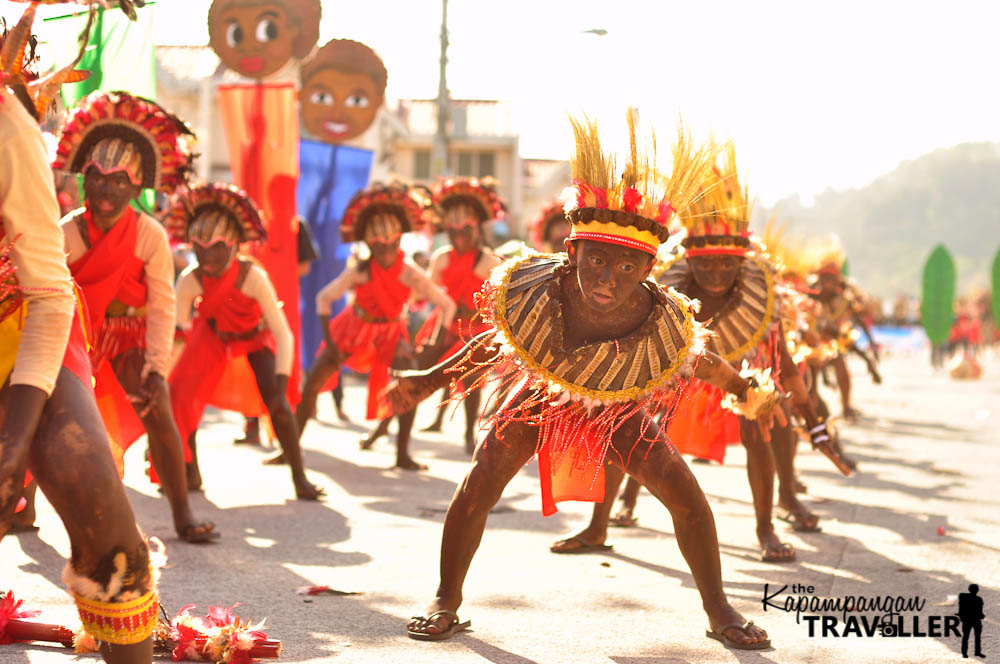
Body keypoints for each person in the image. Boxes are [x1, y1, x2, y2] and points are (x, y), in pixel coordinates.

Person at [388, 114, 784, 649]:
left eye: (626, 269)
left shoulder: (664, 319)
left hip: (617, 407)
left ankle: (718, 610)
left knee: (687, 498)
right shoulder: (533, 288)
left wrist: (746, 391)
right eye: (597, 260)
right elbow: (491, 344)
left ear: (646, 270)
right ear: (572, 252)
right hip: (543, 396)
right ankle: (445, 599)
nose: (607, 279)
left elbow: (704, 360)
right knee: (478, 485)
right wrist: (430, 379)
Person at [553, 146, 846, 562]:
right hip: (682, 367)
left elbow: (784, 361)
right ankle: (601, 523)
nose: (715, 274)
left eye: (726, 266)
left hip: (736, 371)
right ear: (690, 261)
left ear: (740, 264)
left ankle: (766, 528)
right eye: (705, 266)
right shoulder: (668, 294)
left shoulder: (760, 300)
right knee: (631, 425)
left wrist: (814, 423)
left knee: (759, 427)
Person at [0, 5, 159, 660]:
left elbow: (47, 291)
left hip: (18, 323)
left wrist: (14, 438)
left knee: (112, 542)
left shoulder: (5, 125)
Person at [53, 90, 215, 543]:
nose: (107, 189)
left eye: (120, 180)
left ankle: (182, 512)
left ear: (137, 187)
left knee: (158, 407)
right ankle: (24, 507)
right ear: (82, 178)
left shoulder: (150, 235)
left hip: (128, 337)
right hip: (74, 338)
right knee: (47, 412)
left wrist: (156, 368)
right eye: (98, 177)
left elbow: (163, 305)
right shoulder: (65, 233)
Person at [164, 183, 323, 500]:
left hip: (253, 338)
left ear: (234, 245)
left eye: (216, 247)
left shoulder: (253, 276)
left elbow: (282, 332)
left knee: (278, 406)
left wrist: (280, 385)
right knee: (181, 395)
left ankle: (299, 477)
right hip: (211, 335)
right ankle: (187, 469)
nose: (206, 256)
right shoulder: (190, 279)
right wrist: (164, 377)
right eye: (199, 247)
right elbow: (179, 335)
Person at [295, 182, 456, 470]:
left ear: (399, 242)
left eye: (391, 244)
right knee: (312, 385)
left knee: (410, 382)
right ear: (369, 245)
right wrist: (331, 345)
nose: (385, 250)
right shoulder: (359, 270)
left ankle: (402, 454)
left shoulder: (409, 272)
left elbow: (446, 305)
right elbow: (323, 298)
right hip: (353, 328)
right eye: (378, 245)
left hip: (392, 332)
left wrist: (437, 340)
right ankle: (291, 447)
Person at [414, 178, 503, 453]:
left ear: (477, 227)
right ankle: (389, 430)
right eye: (453, 230)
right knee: (420, 373)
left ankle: (468, 436)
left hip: (476, 332)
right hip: (444, 324)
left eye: (465, 228)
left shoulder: (491, 262)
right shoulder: (441, 257)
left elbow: (499, 302)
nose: (459, 235)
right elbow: (426, 291)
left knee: (472, 382)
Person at [958, 583, 985, 659]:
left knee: (966, 637)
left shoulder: (964, 597)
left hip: (968, 620)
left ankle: (965, 653)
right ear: (977, 590)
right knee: (976, 637)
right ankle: (977, 652)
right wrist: (982, 616)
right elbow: (980, 612)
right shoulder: (979, 599)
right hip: (975, 620)